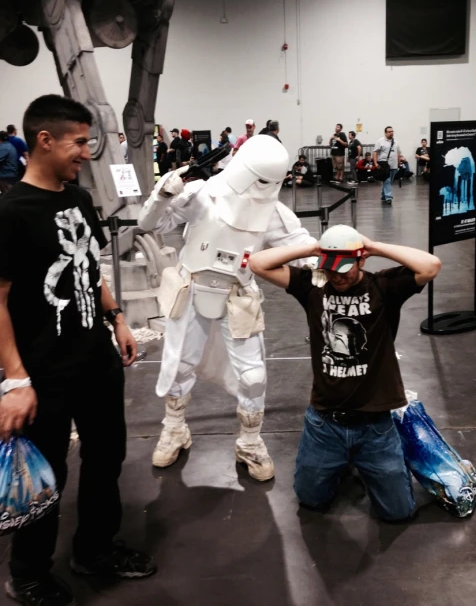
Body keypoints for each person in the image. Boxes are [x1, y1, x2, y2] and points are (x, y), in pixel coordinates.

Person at [0, 95, 155, 606]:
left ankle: (94, 548)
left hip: (96, 360)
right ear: (45, 140)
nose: (87, 152)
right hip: (45, 372)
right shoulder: (11, 213)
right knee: (48, 476)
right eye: (80, 142)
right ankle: (27, 574)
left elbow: (88, 268)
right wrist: (16, 379)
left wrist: (116, 318)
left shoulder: (79, 200)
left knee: (107, 456)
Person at [138, 136, 316, 481]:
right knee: (179, 365)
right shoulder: (203, 194)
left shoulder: (274, 212)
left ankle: (250, 442)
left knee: (253, 377)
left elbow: (302, 246)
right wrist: (161, 195)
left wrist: (332, 254)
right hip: (191, 291)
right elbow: (151, 225)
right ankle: (174, 427)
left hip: (238, 298)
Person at [249, 224, 441, 518]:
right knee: (310, 499)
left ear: (361, 260)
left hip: (375, 424)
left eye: (346, 268)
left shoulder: (383, 287)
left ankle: (373, 462)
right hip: (325, 422)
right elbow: (258, 263)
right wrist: (314, 248)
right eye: (330, 268)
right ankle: (344, 463)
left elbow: (431, 265)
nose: (337, 277)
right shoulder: (312, 287)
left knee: (398, 512)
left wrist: (374, 245)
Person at [373, 126, 402, 205]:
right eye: (389, 132)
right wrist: (375, 163)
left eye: (392, 131)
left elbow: (398, 153)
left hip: (394, 165)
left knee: (389, 181)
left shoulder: (395, 142)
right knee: (387, 180)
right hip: (384, 164)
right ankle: (388, 197)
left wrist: (399, 163)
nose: (391, 133)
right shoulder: (380, 141)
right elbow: (375, 152)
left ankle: (383, 195)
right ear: (385, 133)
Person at [0, 129, 19, 194]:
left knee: (8, 196)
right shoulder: (10, 146)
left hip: (6, 177)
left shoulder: (4, 147)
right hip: (10, 175)